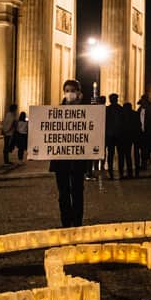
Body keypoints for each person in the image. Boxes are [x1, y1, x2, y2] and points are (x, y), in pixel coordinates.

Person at [51, 79, 89, 227]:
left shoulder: (86, 111)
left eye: (73, 90)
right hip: (60, 159)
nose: (70, 93)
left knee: (78, 192)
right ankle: (66, 222)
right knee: (63, 194)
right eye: (67, 90)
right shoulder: (57, 111)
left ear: (79, 92)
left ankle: (78, 221)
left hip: (78, 159)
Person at [104, 94, 124, 178]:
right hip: (119, 135)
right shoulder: (121, 109)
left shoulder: (107, 109)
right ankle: (121, 172)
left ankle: (111, 171)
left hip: (110, 135)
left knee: (111, 154)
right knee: (120, 155)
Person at [119, 101, 139, 178]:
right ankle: (130, 172)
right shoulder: (135, 114)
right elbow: (138, 124)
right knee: (128, 155)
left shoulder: (121, 114)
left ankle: (121, 172)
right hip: (130, 137)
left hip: (121, 137)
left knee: (121, 156)